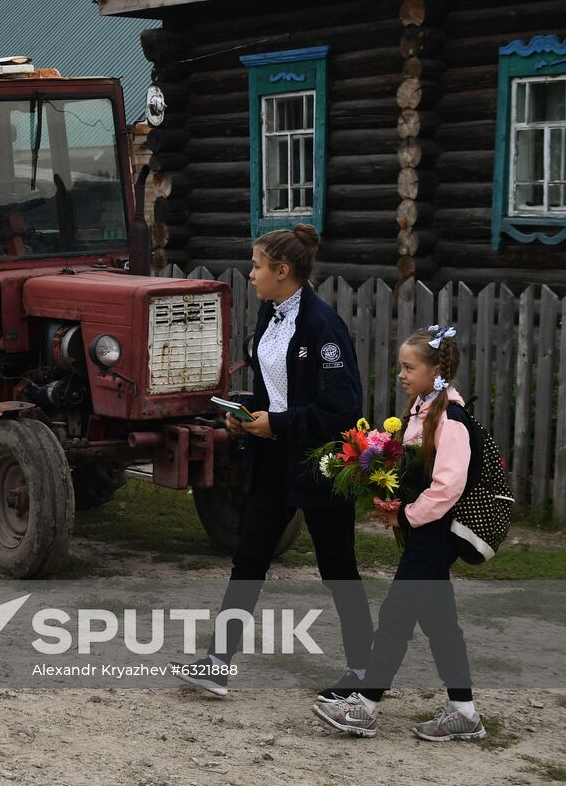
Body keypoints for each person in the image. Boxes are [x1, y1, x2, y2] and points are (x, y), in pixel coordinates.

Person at [173, 224, 372, 699]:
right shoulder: (268, 313)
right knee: (249, 558)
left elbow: (343, 411)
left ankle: (366, 672)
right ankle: (217, 663)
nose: (250, 274)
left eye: (257, 266)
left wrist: (278, 423)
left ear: (283, 271)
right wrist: (246, 417)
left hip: (318, 461)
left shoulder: (324, 327)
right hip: (268, 458)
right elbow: (272, 389)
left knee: (337, 568)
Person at [315, 326, 485, 741]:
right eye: (401, 367)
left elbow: (447, 487)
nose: (402, 375)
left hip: (435, 533)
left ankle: (366, 706)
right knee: (440, 620)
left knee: (395, 615)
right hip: (424, 530)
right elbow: (412, 469)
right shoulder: (422, 409)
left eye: (410, 367)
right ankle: (464, 712)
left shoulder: (452, 419)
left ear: (436, 372)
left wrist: (407, 516)